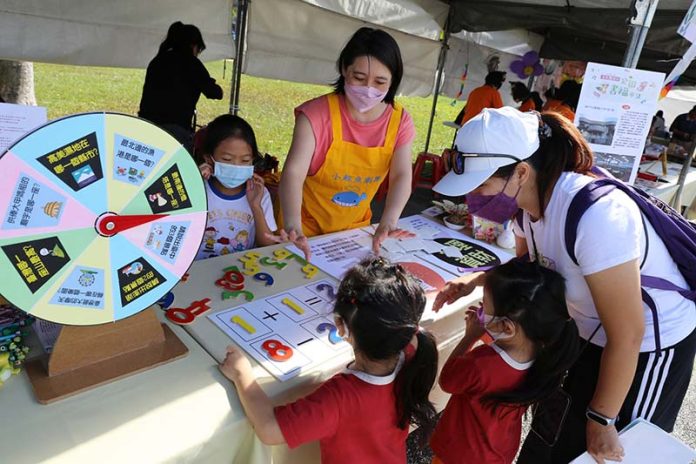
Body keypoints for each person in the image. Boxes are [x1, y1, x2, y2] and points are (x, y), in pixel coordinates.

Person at [432, 107, 696, 464]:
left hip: (647, 346)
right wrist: (476, 281)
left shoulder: (597, 215)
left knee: (610, 451)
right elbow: (530, 268)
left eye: (480, 185)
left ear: (521, 172)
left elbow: (629, 333)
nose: (474, 197)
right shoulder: (526, 206)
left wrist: (602, 418)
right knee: (556, 438)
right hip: (589, 331)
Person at [219, 257, 439, 463]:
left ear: (340, 325)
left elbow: (269, 429)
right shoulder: (411, 352)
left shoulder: (339, 398)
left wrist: (242, 375)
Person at [276, 27, 416, 260]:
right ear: (344, 69)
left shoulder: (400, 121)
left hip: (354, 231)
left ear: (393, 82)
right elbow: (293, 173)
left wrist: (389, 222)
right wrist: (293, 225)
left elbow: (401, 175)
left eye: (380, 82)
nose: (368, 89)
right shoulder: (315, 115)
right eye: (359, 78)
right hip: (303, 228)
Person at [430, 260, 581, 464]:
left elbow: (447, 380)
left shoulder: (481, 364)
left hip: (459, 454)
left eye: (485, 306)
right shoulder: (542, 357)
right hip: (498, 453)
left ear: (507, 327)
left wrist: (470, 336)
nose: (482, 311)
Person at [195, 114, 276, 259]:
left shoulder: (259, 193)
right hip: (198, 269)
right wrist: (192, 183)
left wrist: (256, 206)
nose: (236, 166)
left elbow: (267, 244)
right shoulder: (197, 187)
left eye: (245, 160)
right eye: (227, 159)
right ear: (209, 159)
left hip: (241, 270)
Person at [139, 21, 223, 153]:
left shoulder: (158, 60)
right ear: (193, 45)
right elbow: (215, 93)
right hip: (176, 129)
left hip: (146, 125)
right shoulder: (192, 63)